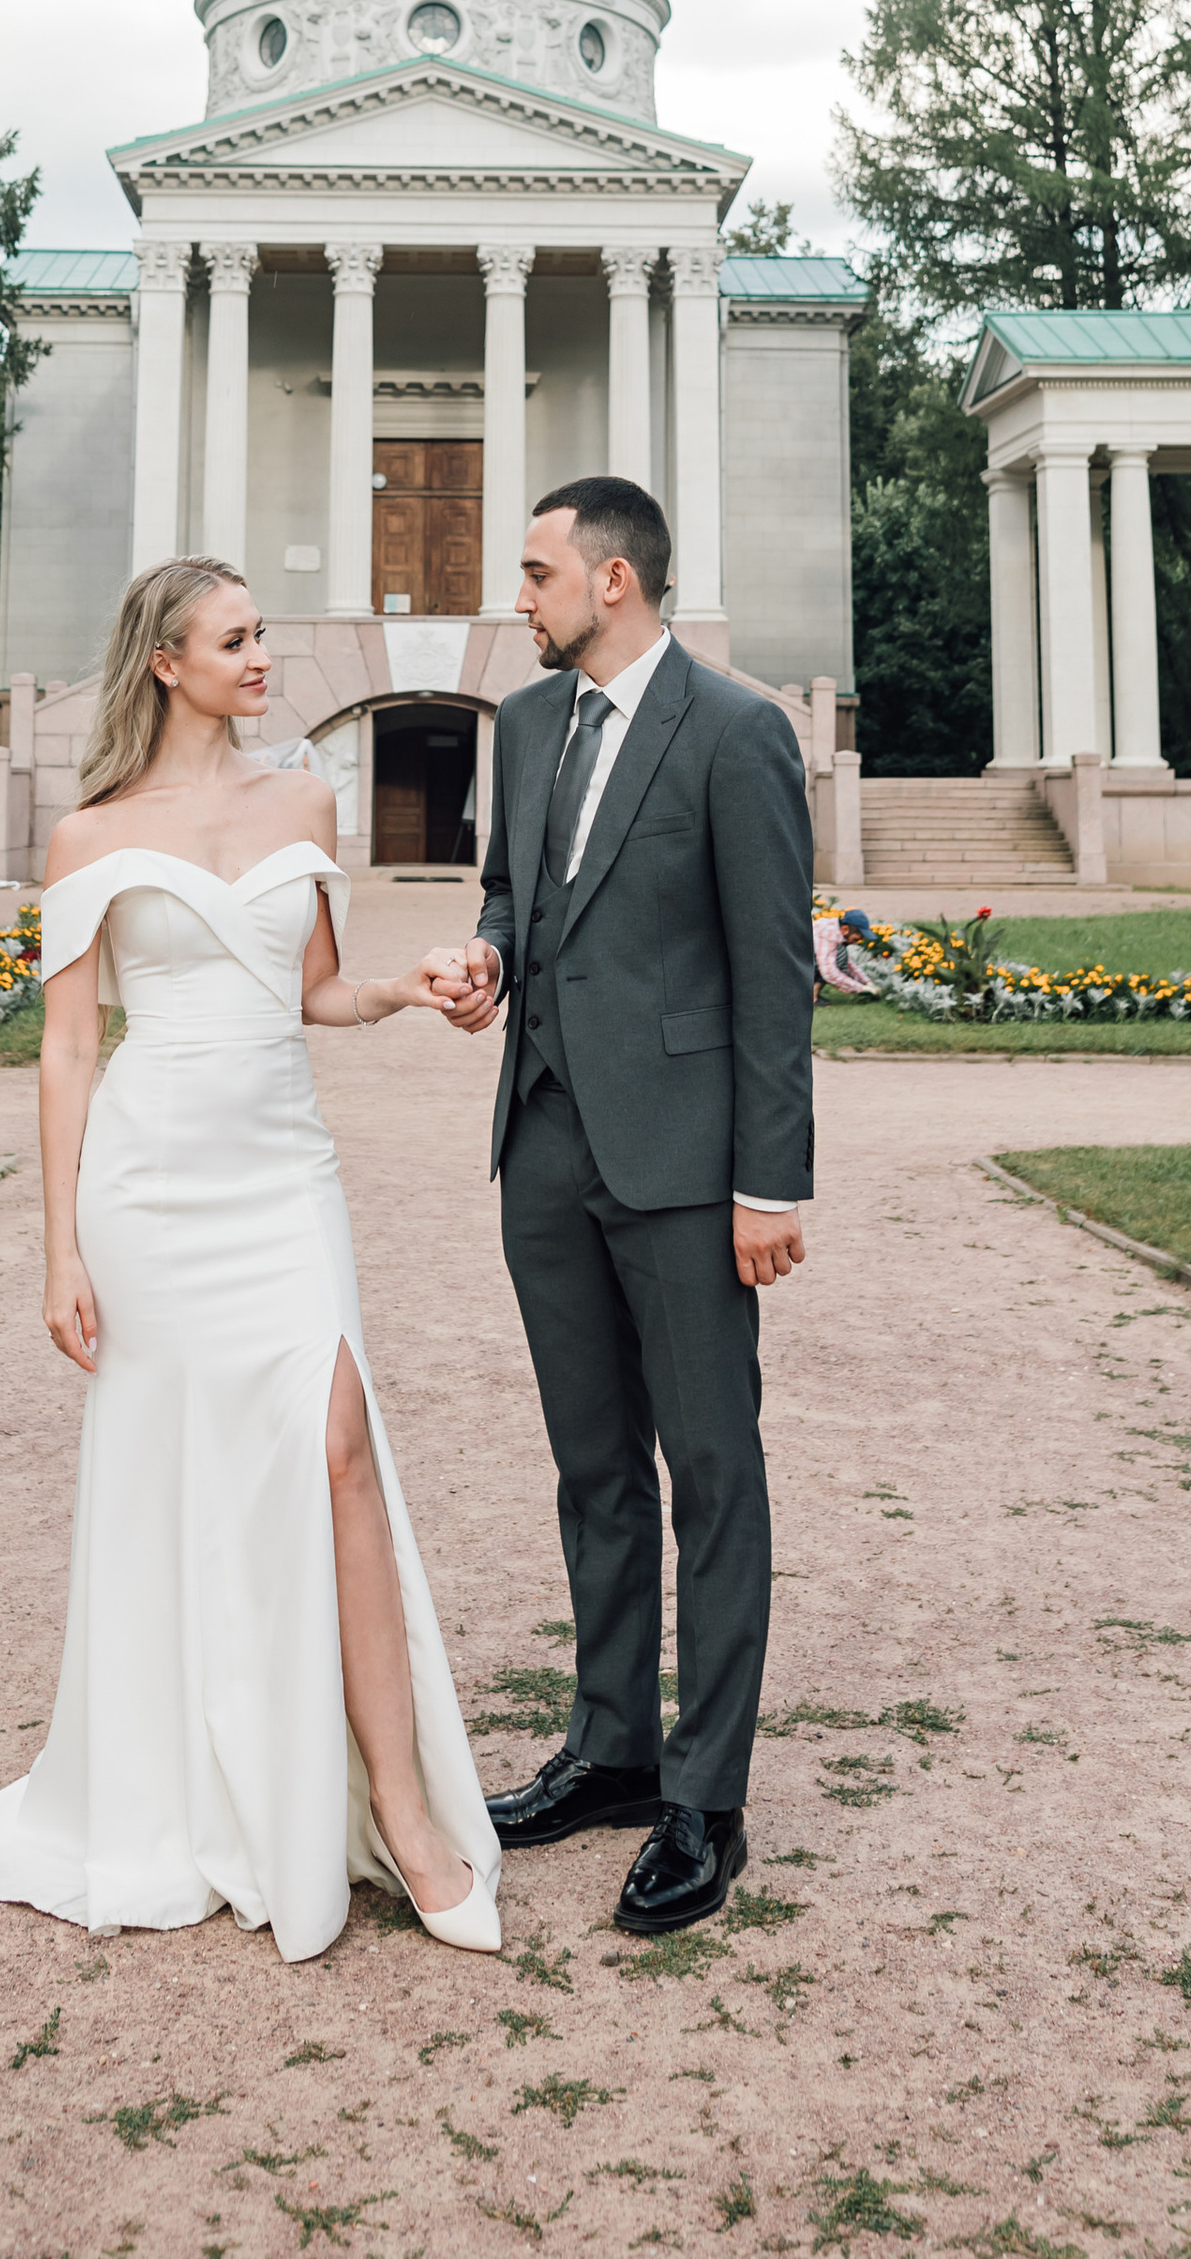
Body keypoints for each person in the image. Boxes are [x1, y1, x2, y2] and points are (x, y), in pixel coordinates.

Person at [0, 555, 500, 1965]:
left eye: (263, 636)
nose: (262, 658)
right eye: (237, 640)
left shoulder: (307, 801)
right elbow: (68, 1046)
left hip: (283, 1176)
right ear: (166, 661)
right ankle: (200, 1785)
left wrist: (414, 991)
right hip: (151, 1185)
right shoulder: (87, 835)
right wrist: (59, 1244)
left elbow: (312, 996)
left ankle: (406, 1816)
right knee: (183, 1484)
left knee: (339, 1449)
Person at [427, 476, 815, 1936]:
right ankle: (610, 1750)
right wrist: (484, 964)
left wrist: (770, 1179)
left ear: (614, 584)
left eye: (533, 574)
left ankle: (705, 1798)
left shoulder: (736, 733)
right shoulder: (525, 725)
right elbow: (512, 899)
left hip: (687, 1168)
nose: (513, 599)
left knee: (712, 1473)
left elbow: (774, 978)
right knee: (593, 1470)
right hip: (542, 1151)